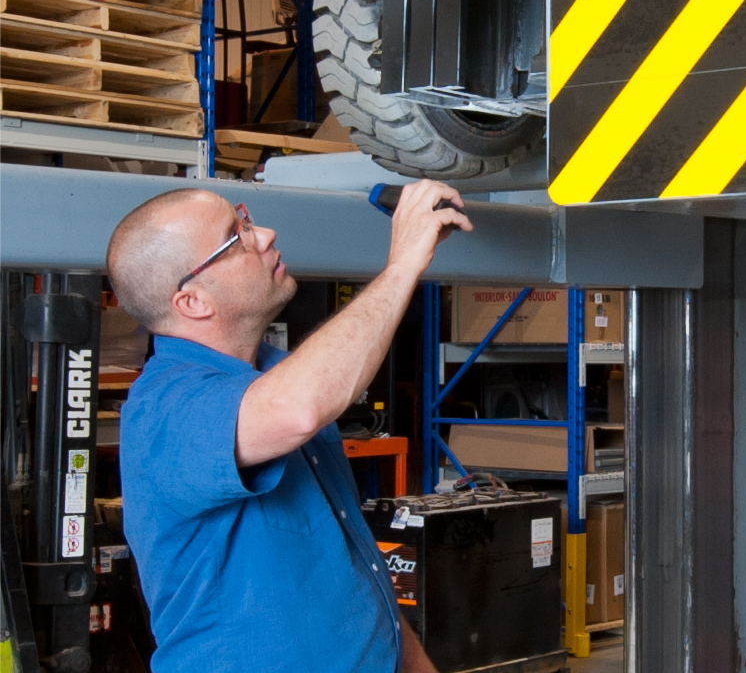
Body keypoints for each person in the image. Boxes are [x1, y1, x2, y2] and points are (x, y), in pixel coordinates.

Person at [106, 180, 472, 672]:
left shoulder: (277, 374)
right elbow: (297, 407)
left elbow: (350, 566)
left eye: (245, 218)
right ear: (192, 301)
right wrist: (403, 262)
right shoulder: (164, 410)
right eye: (237, 237)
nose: (265, 234)